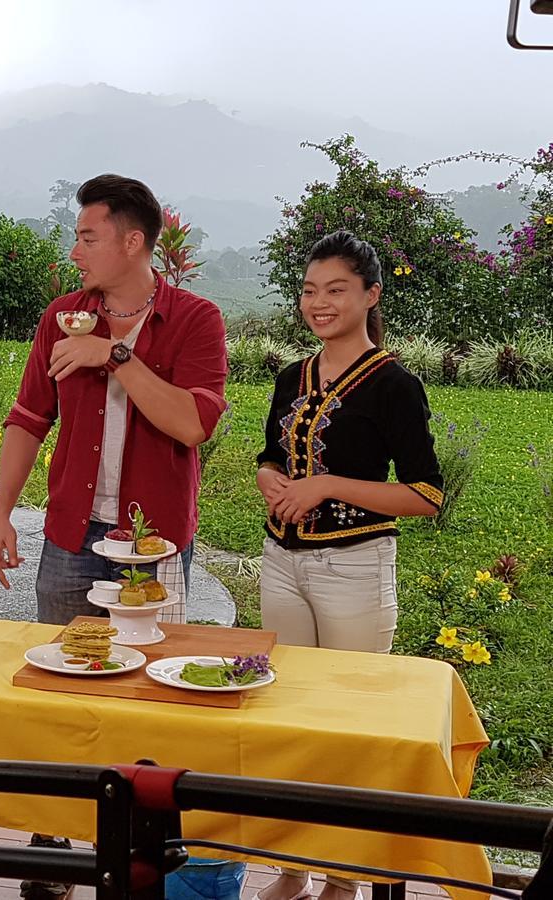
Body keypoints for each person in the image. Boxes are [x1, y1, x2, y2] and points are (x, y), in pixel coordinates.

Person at [0, 174, 228, 900]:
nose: (76, 249)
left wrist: (117, 357)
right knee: (61, 690)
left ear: (132, 241)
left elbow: (192, 423)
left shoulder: (195, 320)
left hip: (151, 550)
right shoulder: (62, 316)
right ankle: (55, 838)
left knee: (148, 690)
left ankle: (139, 843)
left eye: (88, 236)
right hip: (69, 538)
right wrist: (0, 515)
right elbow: (29, 418)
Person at [254, 231, 443, 900]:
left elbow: (424, 493)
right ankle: (293, 867)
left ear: (371, 295)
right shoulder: (291, 376)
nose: (319, 303)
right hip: (280, 563)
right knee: (290, 717)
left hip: (355, 568)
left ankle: (343, 875)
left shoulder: (394, 384)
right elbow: (269, 456)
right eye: (309, 290)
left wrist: (328, 487)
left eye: (336, 290)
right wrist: (273, 482)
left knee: (349, 724)